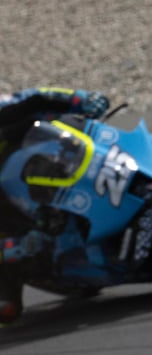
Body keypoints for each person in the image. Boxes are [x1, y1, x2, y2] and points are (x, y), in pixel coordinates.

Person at [0, 87, 111, 324]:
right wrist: (13, 248)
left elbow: (35, 98)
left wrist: (81, 98)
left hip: (49, 164)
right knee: (5, 309)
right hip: (16, 222)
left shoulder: (4, 110)